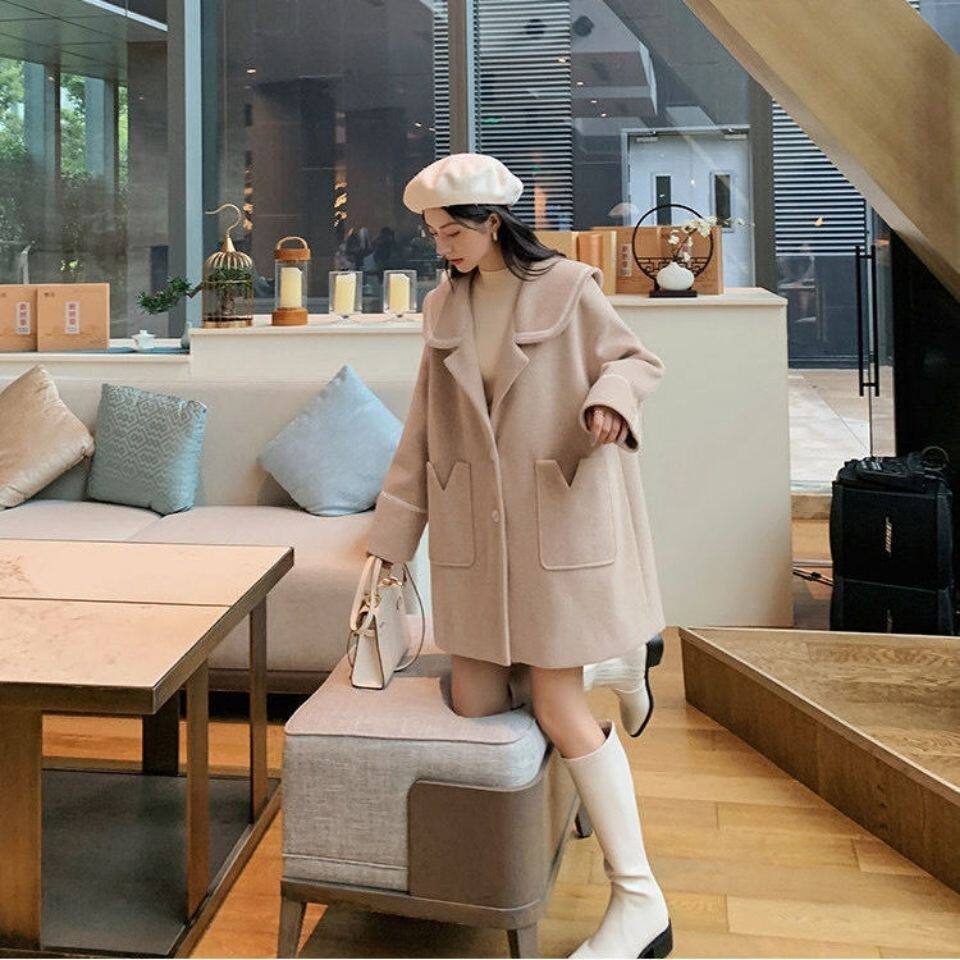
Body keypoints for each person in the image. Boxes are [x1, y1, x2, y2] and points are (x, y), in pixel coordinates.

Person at [364, 153, 672, 959]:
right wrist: (391, 544)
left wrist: (609, 400)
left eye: (451, 232)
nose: (442, 247)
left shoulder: (568, 287)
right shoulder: (443, 306)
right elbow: (422, 428)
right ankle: (612, 664)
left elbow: (636, 361)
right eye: (433, 234)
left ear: (491, 222)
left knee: (555, 707)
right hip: (474, 534)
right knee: (475, 703)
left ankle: (641, 901)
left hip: (554, 520)